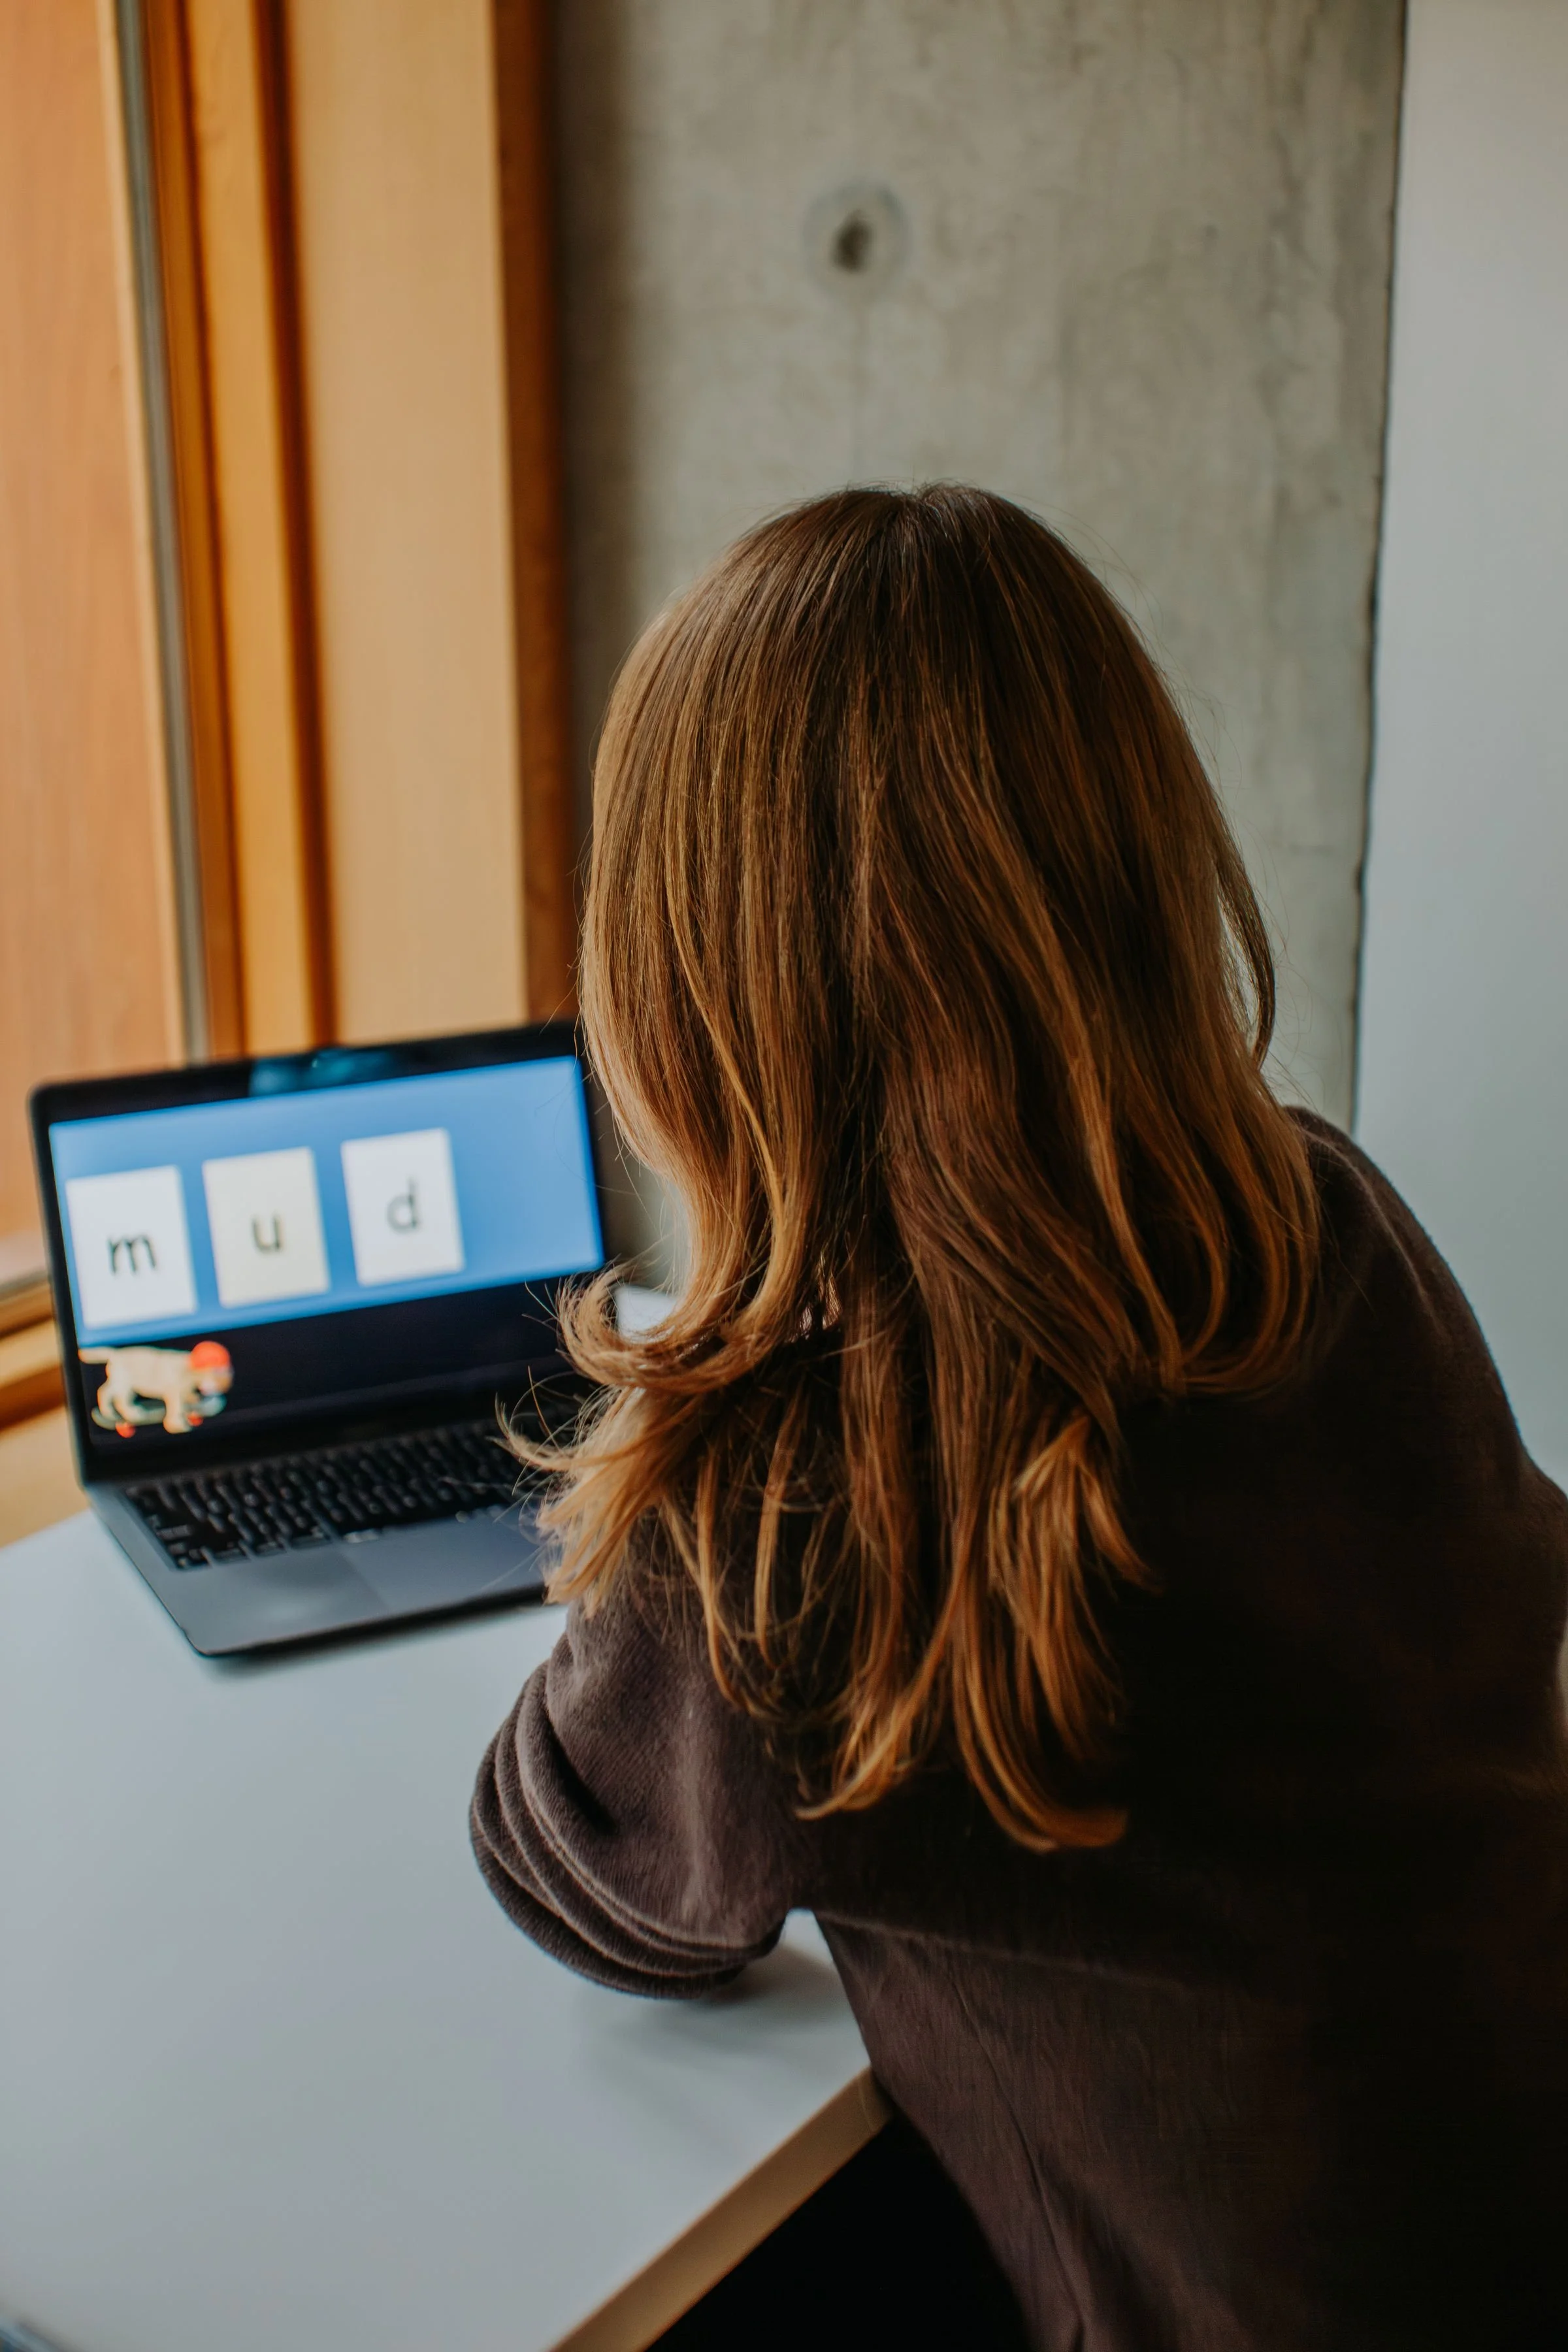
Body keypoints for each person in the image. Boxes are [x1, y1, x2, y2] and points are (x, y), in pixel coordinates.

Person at [471, 486, 1568, 2350]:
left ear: (688, 986)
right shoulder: (1323, 1225)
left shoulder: (789, 1495)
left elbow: (583, 1882)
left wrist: (664, 1475)